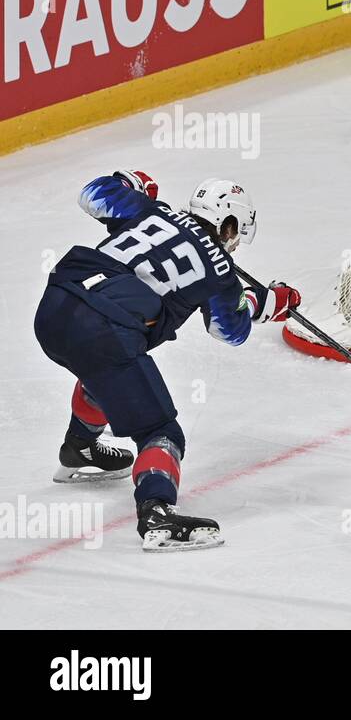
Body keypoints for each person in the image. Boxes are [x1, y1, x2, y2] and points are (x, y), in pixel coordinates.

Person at [34, 171, 300, 551]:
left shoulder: (150, 210)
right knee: (162, 432)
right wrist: (269, 302)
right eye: (237, 232)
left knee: (103, 373)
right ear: (227, 225)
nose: (236, 243)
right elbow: (230, 330)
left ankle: (80, 446)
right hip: (103, 332)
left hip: (55, 306)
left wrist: (130, 183)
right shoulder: (220, 270)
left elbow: (92, 193)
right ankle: (157, 513)